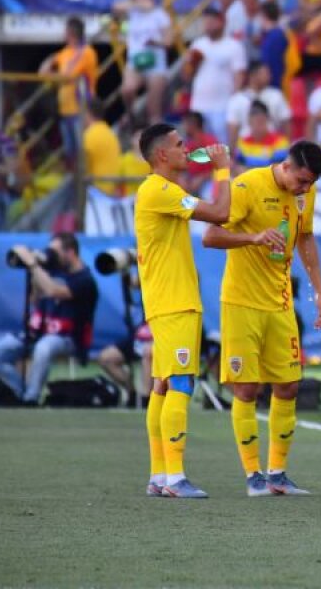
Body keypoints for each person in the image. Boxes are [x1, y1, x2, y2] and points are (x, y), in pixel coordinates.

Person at [203, 141, 321, 496]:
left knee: (288, 385)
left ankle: (277, 474)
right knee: (246, 388)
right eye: (302, 181)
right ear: (286, 167)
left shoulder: (306, 193)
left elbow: (305, 238)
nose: (305, 189)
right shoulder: (247, 187)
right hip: (242, 303)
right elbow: (211, 236)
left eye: (311, 183)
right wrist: (253, 237)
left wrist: (320, 290)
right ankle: (252, 475)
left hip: (281, 303)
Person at [134, 124, 232, 498]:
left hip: (167, 301)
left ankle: (160, 476)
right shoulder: (160, 190)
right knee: (180, 385)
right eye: (179, 145)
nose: (186, 149)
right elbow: (221, 213)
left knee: (162, 386)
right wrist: (222, 167)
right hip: (174, 303)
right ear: (162, 156)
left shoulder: (158, 191)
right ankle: (175, 478)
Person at [0, 235, 97, 404]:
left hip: (69, 338)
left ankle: (31, 398)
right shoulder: (51, 271)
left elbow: (53, 291)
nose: (51, 255)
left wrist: (33, 264)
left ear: (70, 252)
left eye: (55, 252)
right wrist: (37, 266)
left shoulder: (85, 280)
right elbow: (34, 301)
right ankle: (20, 392)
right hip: (39, 333)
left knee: (44, 347)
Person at [38, 16, 97, 167]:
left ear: (71, 32)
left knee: (83, 151)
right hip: (65, 111)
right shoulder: (64, 53)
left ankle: (84, 187)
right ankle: (75, 186)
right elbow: (43, 73)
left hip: (81, 111)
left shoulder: (86, 52)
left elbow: (68, 76)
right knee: (70, 153)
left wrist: (55, 75)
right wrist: (50, 61)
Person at [187, 7, 247, 143]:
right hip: (199, 105)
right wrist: (193, 64)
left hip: (222, 106)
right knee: (198, 148)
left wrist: (234, 100)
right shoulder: (198, 44)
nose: (208, 25)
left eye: (212, 21)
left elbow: (240, 74)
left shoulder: (233, 45)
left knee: (220, 146)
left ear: (221, 22)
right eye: (206, 21)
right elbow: (187, 76)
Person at [120, 0, 172, 126]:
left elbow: (168, 41)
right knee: (127, 89)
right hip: (136, 60)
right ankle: (130, 114)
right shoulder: (132, 13)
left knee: (153, 108)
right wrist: (136, 4)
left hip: (155, 60)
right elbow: (115, 8)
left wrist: (155, 43)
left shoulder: (160, 15)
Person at [226, 61, 291, 147]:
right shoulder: (237, 99)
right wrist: (232, 151)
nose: (269, 76)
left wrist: (288, 145)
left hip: (273, 146)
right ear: (253, 76)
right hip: (246, 147)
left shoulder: (276, 95)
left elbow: (286, 123)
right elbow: (233, 128)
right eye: (264, 73)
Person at [82, 100, 122, 197]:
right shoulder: (111, 133)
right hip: (113, 191)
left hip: (97, 194)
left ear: (87, 113)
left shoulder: (88, 136)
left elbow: (83, 168)